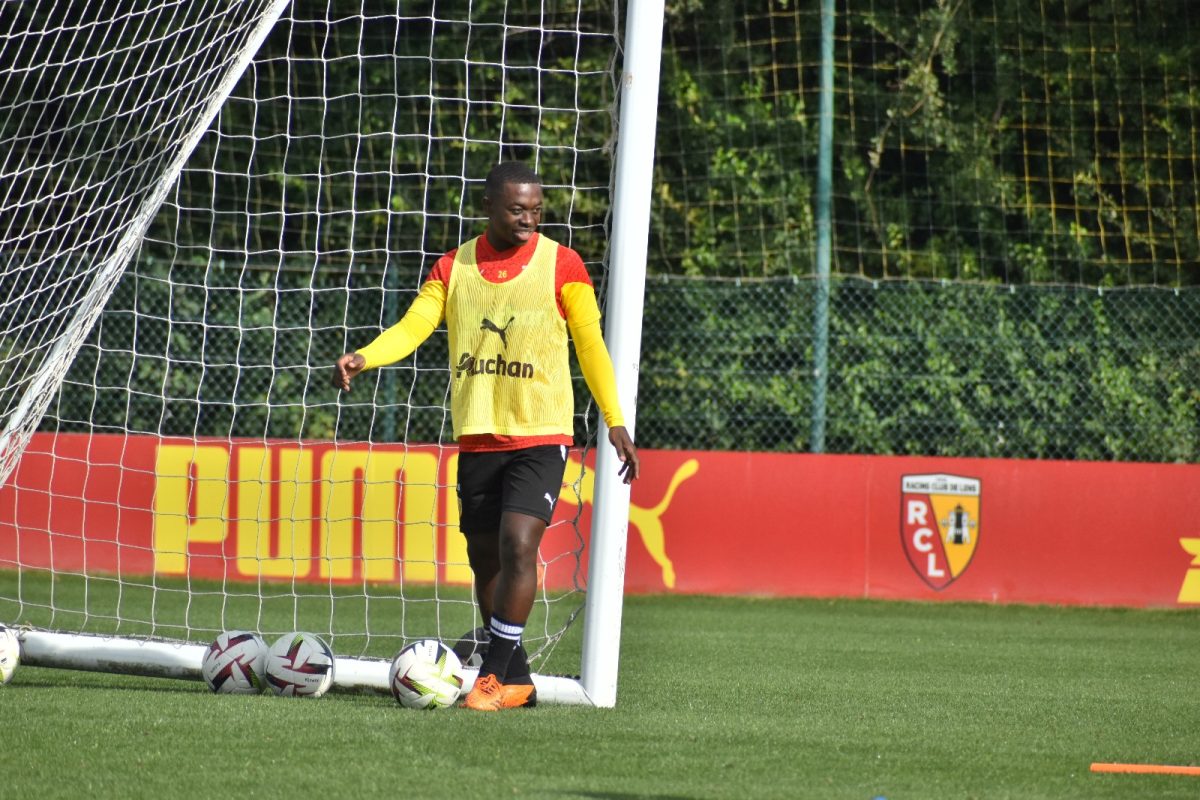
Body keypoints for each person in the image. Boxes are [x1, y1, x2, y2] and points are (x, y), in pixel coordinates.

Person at [332, 161, 639, 711]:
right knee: (485, 561)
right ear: (489, 207)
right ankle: (517, 679)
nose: (528, 219)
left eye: (537, 210)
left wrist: (614, 418)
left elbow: (590, 346)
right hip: (476, 437)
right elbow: (414, 325)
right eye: (517, 209)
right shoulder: (453, 267)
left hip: (541, 434)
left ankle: (491, 675)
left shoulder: (562, 264)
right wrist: (366, 356)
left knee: (519, 544)